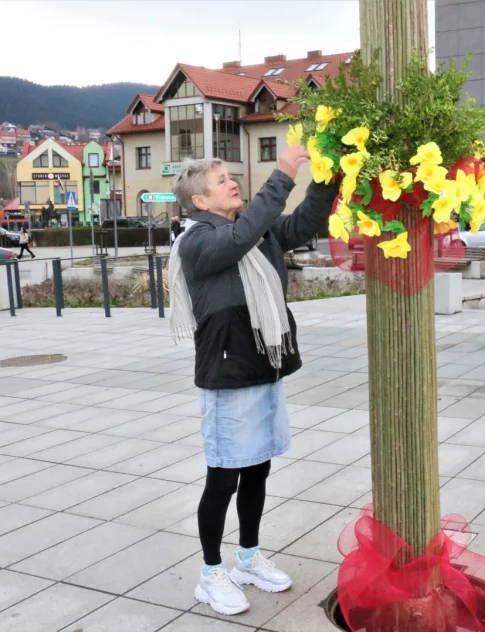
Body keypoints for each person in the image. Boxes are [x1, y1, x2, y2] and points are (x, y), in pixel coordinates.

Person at [170, 146, 335, 616]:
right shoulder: (198, 241)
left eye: (230, 177)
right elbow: (240, 237)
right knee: (223, 477)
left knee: (257, 469)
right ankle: (210, 573)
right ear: (200, 201)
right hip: (227, 376)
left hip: (263, 366)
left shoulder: (254, 232)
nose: (232, 183)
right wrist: (282, 173)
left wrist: (329, 175)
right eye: (221, 181)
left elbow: (303, 223)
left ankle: (247, 559)